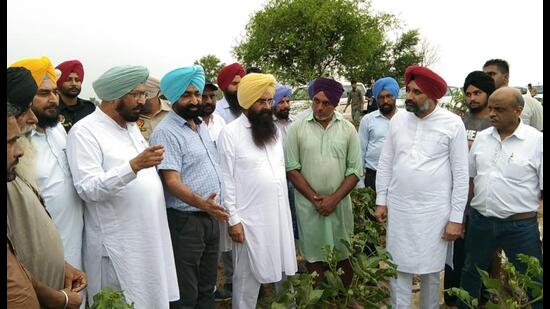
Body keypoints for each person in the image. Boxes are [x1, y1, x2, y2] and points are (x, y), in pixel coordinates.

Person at [66, 65, 179, 308]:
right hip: (117, 247)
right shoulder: (84, 132)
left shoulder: (130, 127)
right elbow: (87, 188)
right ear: (115, 96)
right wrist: (134, 166)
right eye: (136, 94)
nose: (143, 101)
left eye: (143, 94)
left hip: (148, 240)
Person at [374, 65, 469, 309]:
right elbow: (386, 162)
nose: (410, 97)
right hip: (401, 208)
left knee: (430, 271)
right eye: (408, 91)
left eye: (416, 92)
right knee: (399, 268)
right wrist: (381, 200)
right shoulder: (398, 120)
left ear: (432, 96)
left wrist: (456, 218)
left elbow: (460, 174)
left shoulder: (453, 123)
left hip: (434, 212)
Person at [149, 65, 229, 308]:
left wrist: (209, 207)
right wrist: (202, 203)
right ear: (173, 97)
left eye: (197, 94)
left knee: (208, 286)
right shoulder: (166, 132)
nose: (195, 100)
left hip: (209, 217)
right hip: (186, 223)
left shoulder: (200, 126)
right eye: (186, 95)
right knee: (186, 292)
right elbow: (171, 182)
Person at [7, 59, 88, 299]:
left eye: (54, 91)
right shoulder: (17, 145)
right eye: (43, 93)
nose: (53, 99)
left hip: (67, 252)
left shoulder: (58, 130)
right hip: (29, 274)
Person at [217, 73, 297, 309]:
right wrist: (233, 220)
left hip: (279, 216)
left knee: (285, 269)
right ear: (247, 101)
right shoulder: (230, 133)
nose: (267, 107)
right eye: (261, 101)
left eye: (269, 101)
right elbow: (226, 180)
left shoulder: (272, 132)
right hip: (249, 221)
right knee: (246, 279)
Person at [459, 87, 543, 309]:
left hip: (520, 226)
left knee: (534, 281)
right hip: (481, 221)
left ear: (518, 110)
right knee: (471, 273)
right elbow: (470, 179)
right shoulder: (483, 138)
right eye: (491, 108)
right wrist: (463, 216)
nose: (492, 114)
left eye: (499, 109)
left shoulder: (537, 142)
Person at [285, 78, 363, 291]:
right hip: (309, 206)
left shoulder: (348, 129)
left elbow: (355, 170)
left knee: (343, 252)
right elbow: (291, 168)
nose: (319, 107)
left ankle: (345, 297)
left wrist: (334, 199)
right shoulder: (297, 129)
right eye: (316, 101)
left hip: (339, 206)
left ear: (336, 104)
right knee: (313, 255)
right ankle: (318, 299)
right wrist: (315, 199)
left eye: (326, 103)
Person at [443, 70, 495, 308]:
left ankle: (481, 299)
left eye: (477, 93)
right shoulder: (458, 122)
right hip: (456, 200)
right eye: (468, 93)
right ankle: (452, 299)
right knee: (455, 254)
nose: (472, 98)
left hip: (484, 201)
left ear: (489, 93)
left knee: (480, 257)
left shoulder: (495, 124)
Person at [358, 77, 400, 191]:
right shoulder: (368, 120)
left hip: (400, 177)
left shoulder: (406, 118)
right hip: (373, 176)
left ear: (395, 96)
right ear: (376, 98)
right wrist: (360, 182)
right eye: (381, 97)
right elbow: (360, 152)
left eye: (389, 96)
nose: (385, 101)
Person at [483, 59, 543, 131]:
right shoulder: (479, 105)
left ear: (505, 77)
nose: (486, 78)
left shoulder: (530, 103)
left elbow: (540, 133)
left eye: (491, 74)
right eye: (484, 75)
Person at [55, 60, 96, 132]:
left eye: (77, 80)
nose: (74, 83)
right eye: (68, 79)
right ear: (59, 82)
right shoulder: (52, 109)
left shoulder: (89, 108)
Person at [137, 75, 171, 141]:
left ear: (157, 94)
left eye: (145, 96)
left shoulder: (174, 113)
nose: (140, 101)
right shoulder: (128, 115)